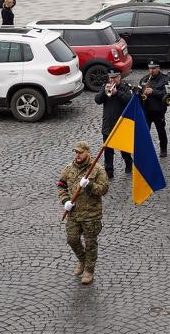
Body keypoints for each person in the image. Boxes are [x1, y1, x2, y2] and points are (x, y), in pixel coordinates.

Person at [57, 141, 109, 286]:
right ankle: (82, 259)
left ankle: (89, 270)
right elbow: (61, 185)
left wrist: (90, 185)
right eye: (76, 152)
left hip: (91, 214)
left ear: (88, 153)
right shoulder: (69, 168)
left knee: (90, 243)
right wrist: (65, 200)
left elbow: (104, 189)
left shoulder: (97, 170)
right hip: (74, 213)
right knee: (72, 239)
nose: (77, 155)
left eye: (80, 152)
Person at [94, 69, 133, 177]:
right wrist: (104, 92)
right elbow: (97, 100)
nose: (112, 80)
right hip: (108, 124)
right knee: (108, 151)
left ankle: (128, 163)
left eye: (114, 77)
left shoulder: (125, 87)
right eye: (110, 78)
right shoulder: (105, 87)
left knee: (124, 149)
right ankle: (109, 171)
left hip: (121, 124)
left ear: (119, 77)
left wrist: (117, 93)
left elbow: (130, 100)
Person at [138, 61, 170, 157]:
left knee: (161, 131)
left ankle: (163, 149)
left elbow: (167, 94)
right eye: (150, 68)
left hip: (158, 110)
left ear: (158, 68)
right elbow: (139, 90)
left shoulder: (165, 79)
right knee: (145, 131)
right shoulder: (144, 79)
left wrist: (153, 91)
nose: (151, 70)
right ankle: (145, 148)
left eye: (153, 68)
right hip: (146, 110)